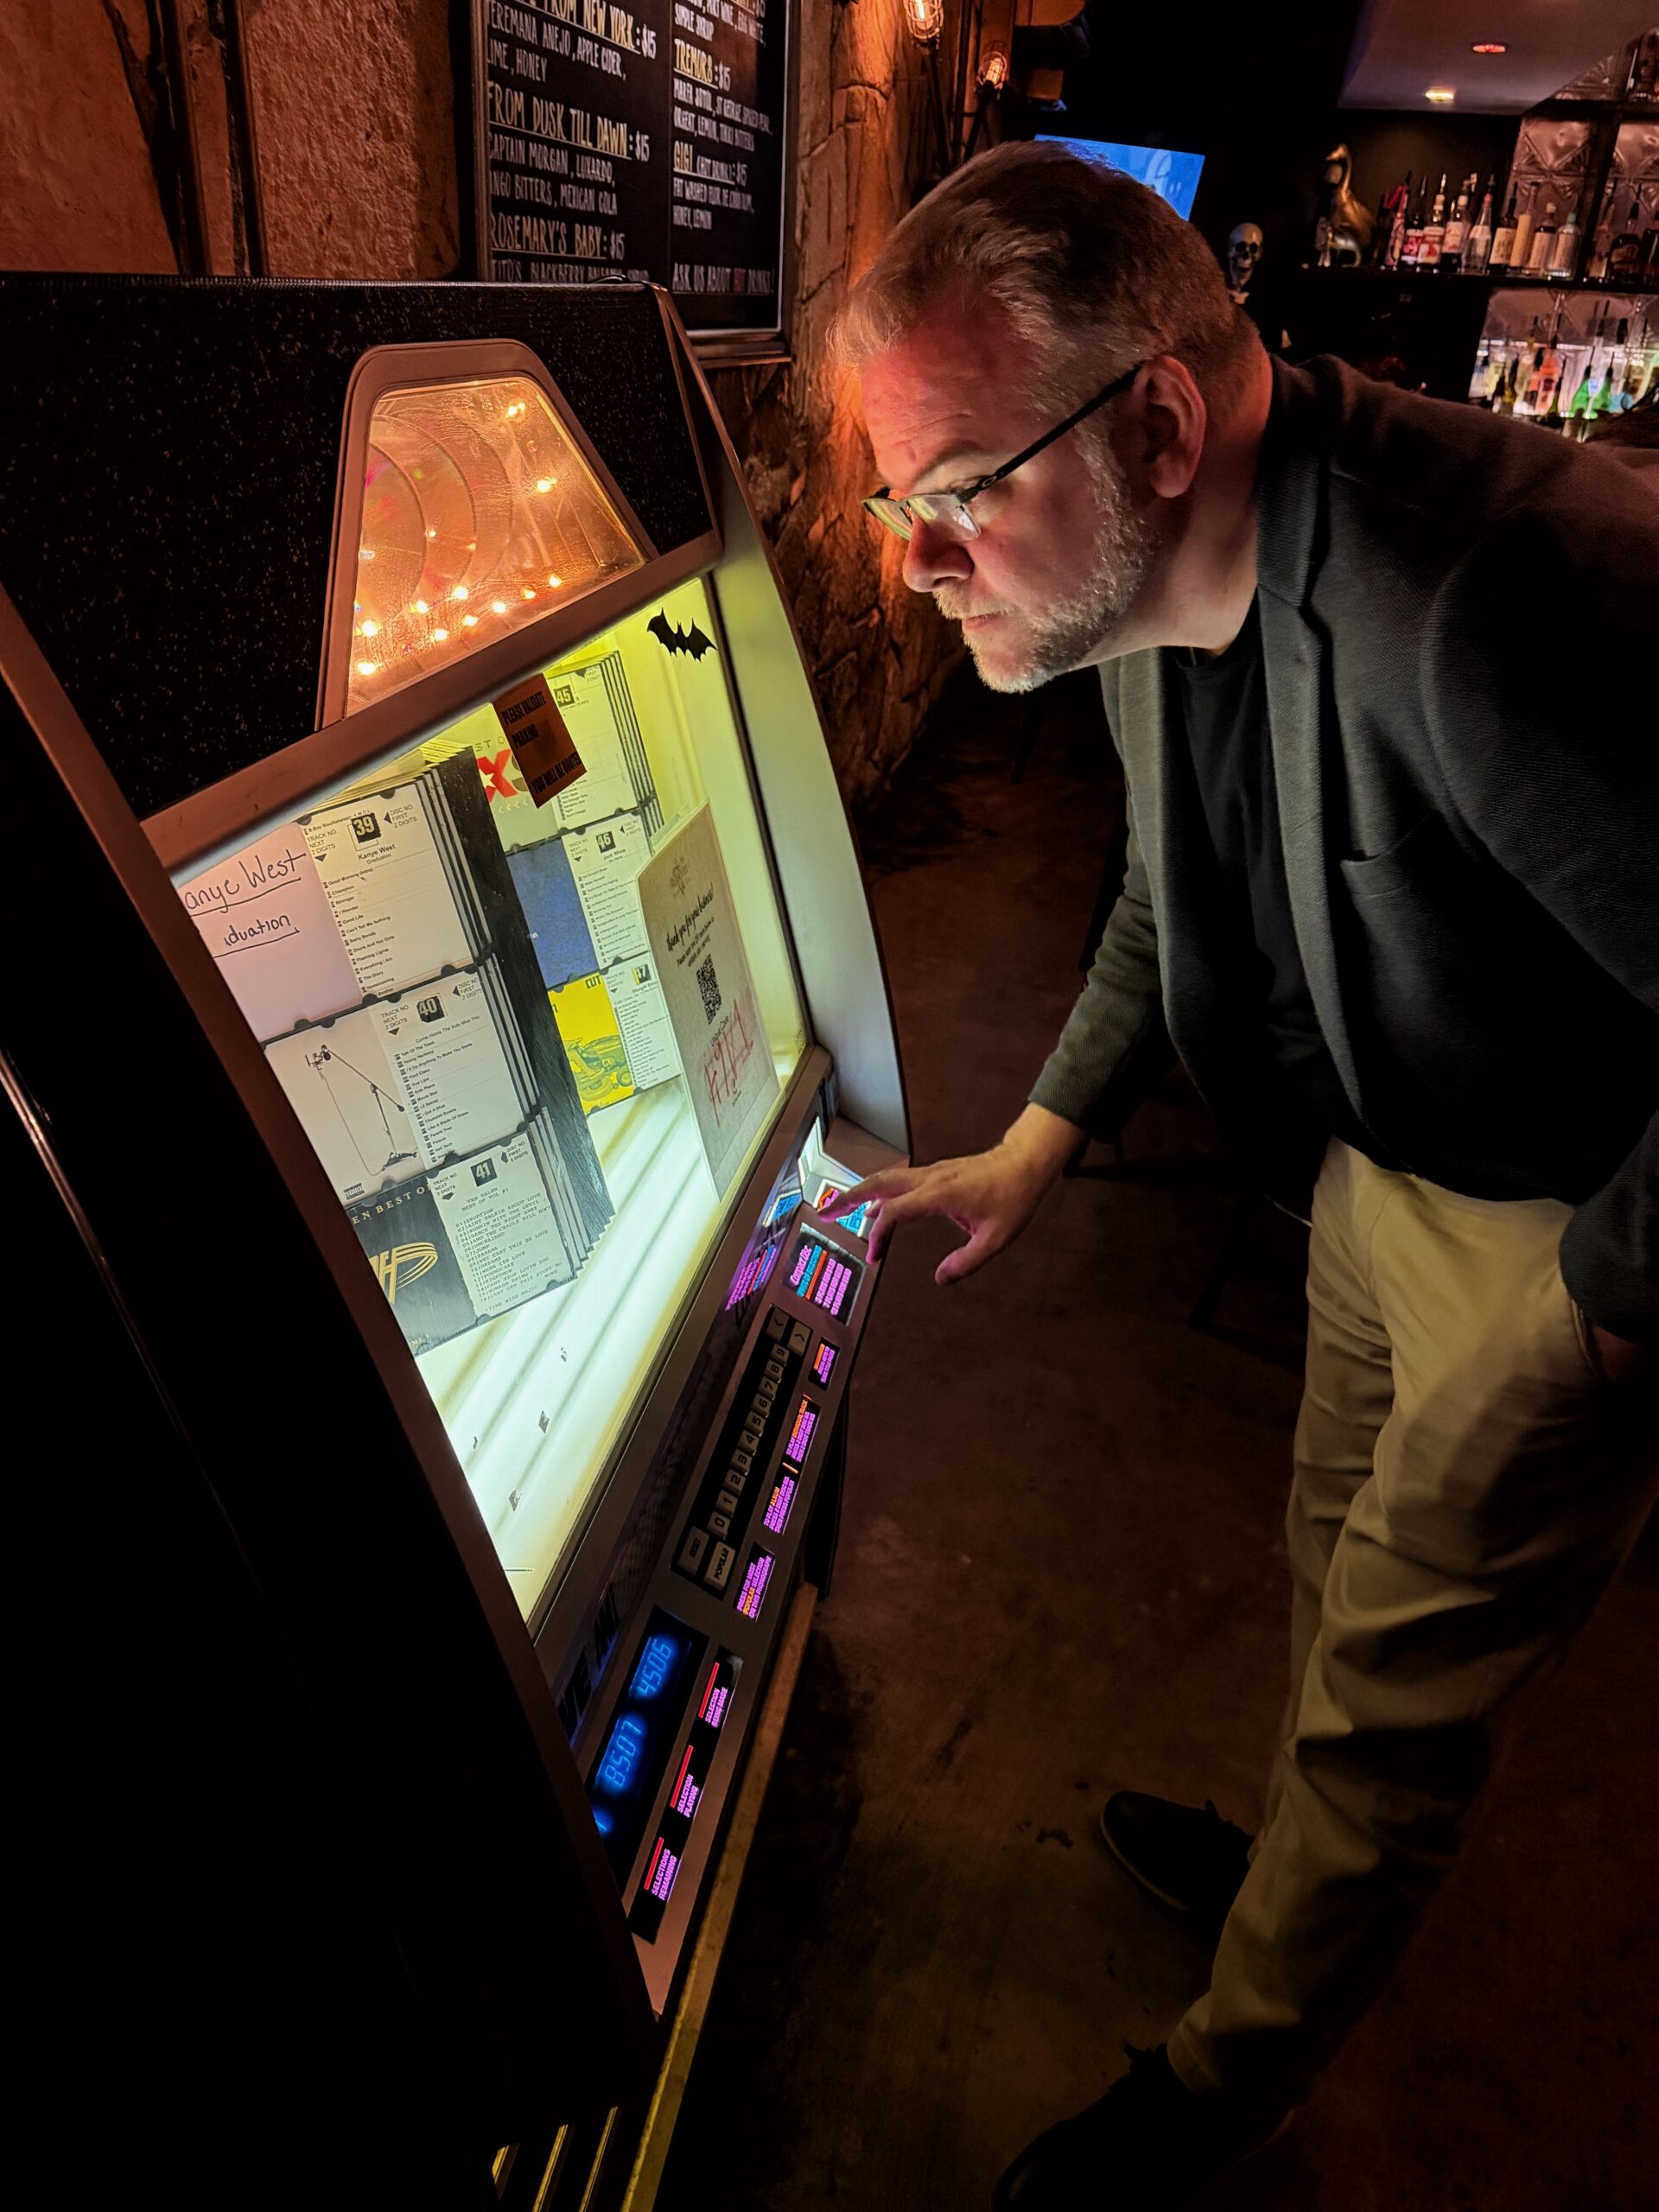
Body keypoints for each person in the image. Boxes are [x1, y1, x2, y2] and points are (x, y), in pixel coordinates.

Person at [825, 142, 1658, 2210]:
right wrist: (1036, 1138)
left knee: (1393, 1686)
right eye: (896, 504)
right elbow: (1161, 900)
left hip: (1568, 1222)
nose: (920, 565)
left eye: (952, 494)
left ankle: (1224, 2085)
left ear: (1162, 417)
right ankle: (1288, 1864)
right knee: (1321, 1562)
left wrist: (1595, 1323)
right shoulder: (1137, 572)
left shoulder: (1489, 592)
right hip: (1383, 1165)